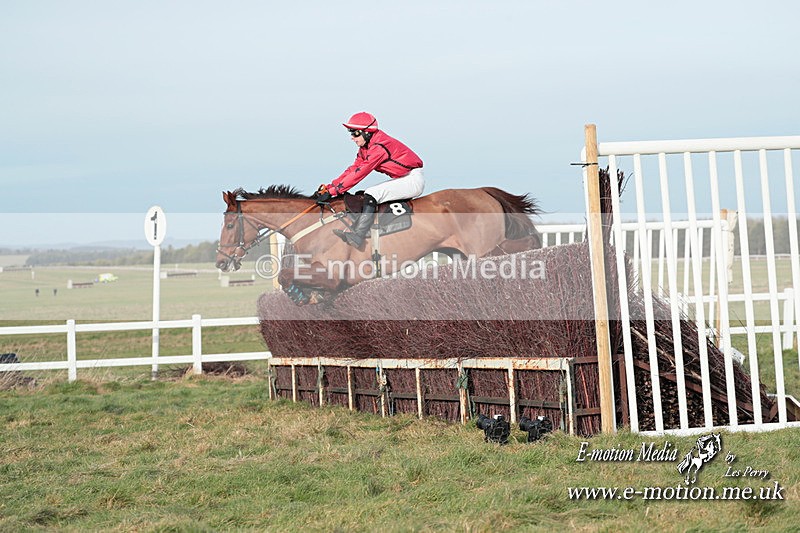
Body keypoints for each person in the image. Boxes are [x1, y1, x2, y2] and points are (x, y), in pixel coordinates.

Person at [314, 112, 424, 248]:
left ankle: (358, 235)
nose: (352, 138)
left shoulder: (379, 147)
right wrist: (330, 187)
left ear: (366, 133)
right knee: (362, 194)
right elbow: (353, 169)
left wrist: (334, 191)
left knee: (372, 193)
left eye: (354, 133)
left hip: (412, 180)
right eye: (350, 133)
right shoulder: (365, 148)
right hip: (403, 178)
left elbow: (361, 172)